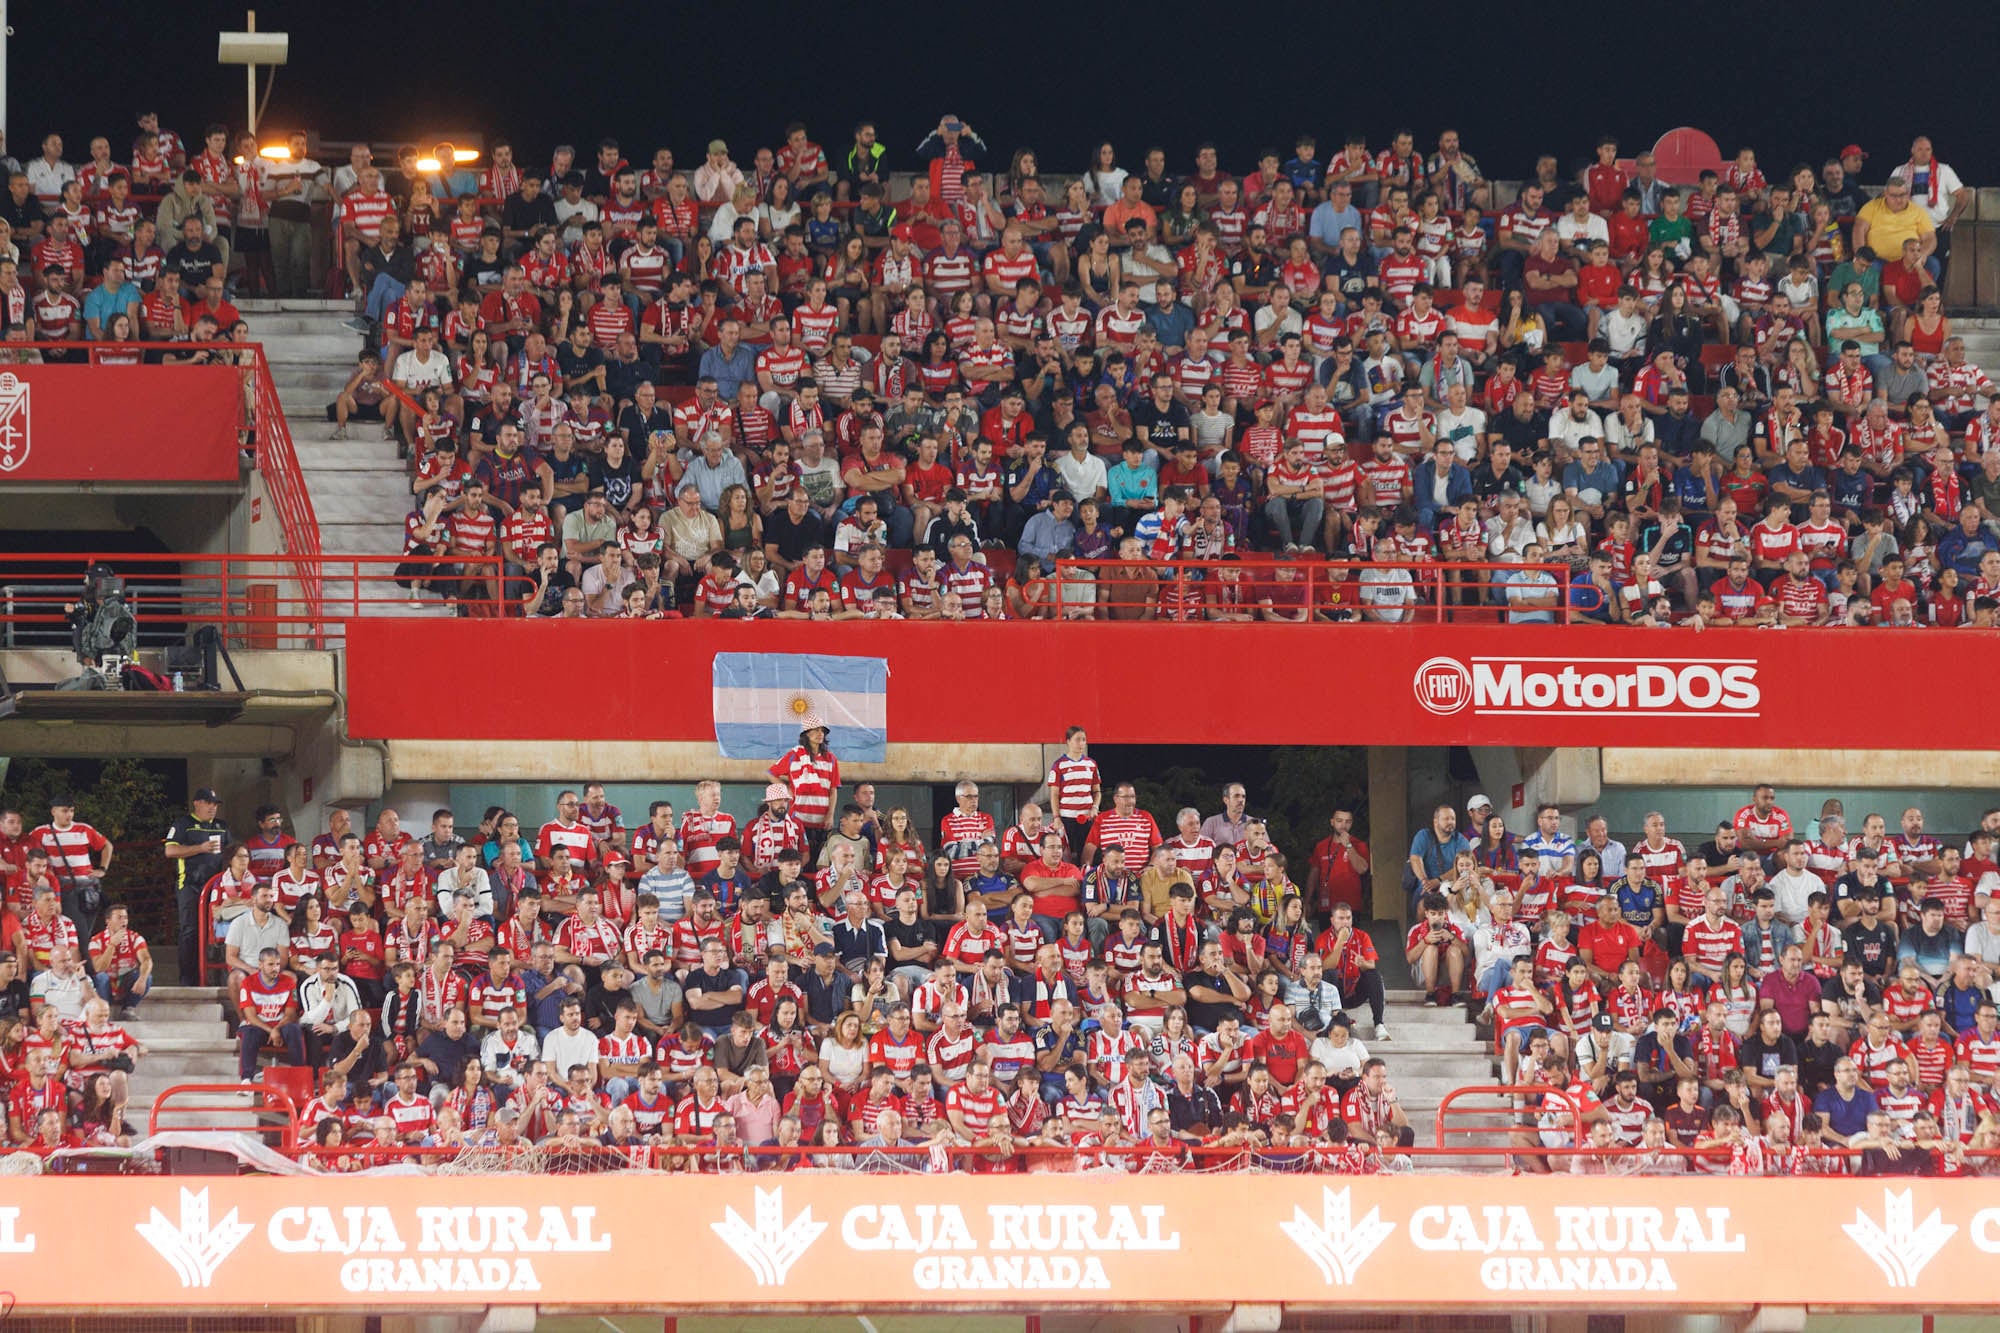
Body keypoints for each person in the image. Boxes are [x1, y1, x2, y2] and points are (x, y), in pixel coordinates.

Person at [164, 787, 229, 982]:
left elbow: (232, 852)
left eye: (215, 804)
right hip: (190, 885)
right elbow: (170, 851)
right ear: (197, 803)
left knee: (221, 929)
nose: (212, 808)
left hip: (217, 888)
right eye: (208, 803)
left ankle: (218, 975)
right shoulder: (184, 824)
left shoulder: (222, 826)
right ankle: (188, 978)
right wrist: (200, 848)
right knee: (190, 931)